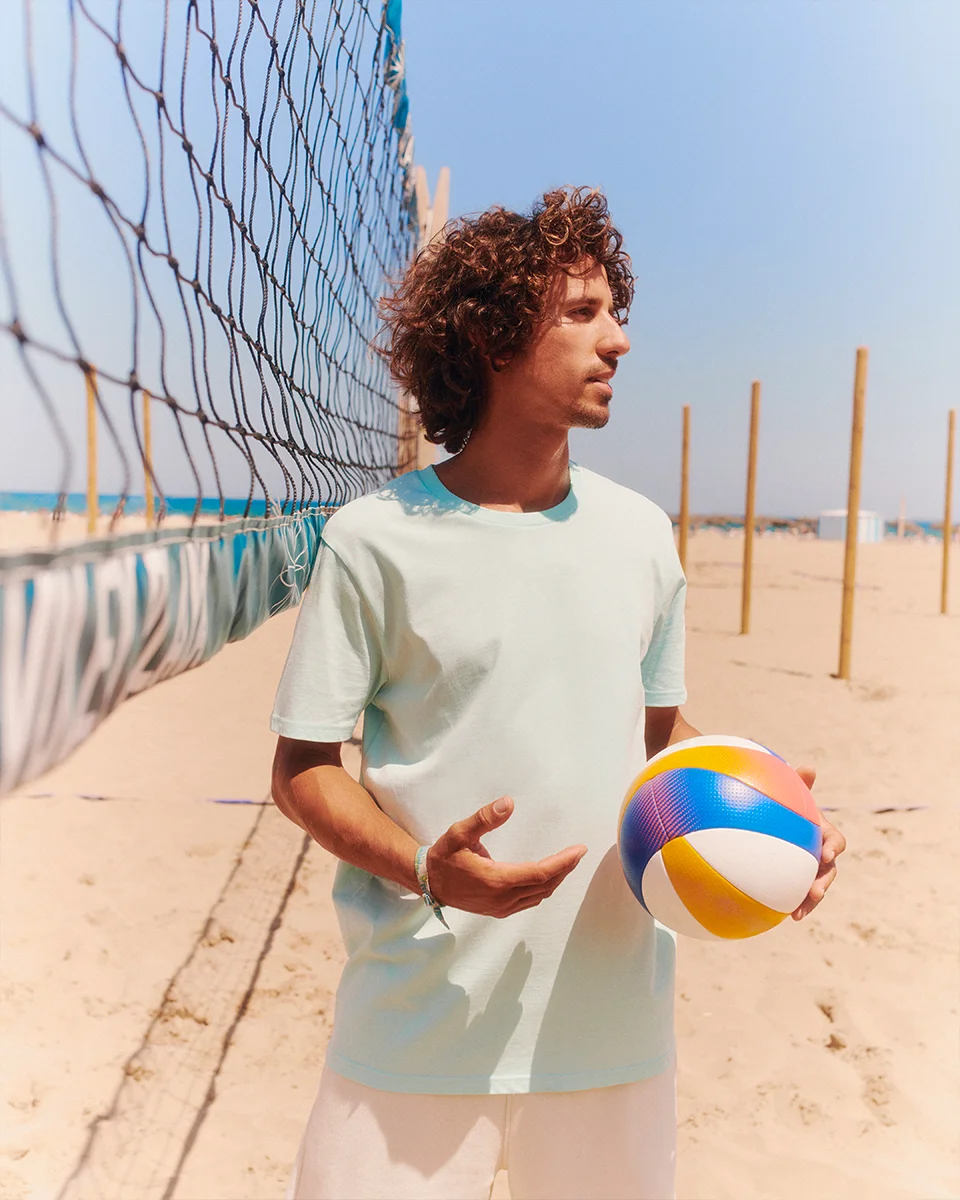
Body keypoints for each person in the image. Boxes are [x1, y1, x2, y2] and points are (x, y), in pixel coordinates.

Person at [270, 187, 845, 1200]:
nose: (618, 339)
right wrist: (422, 867)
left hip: (609, 1030)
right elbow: (305, 769)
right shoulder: (372, 539)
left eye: (615, 312)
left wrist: (767, 804)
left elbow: (659, 737)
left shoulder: (639, 536)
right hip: (419, 1025)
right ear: (491, 337)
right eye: (581, 313)